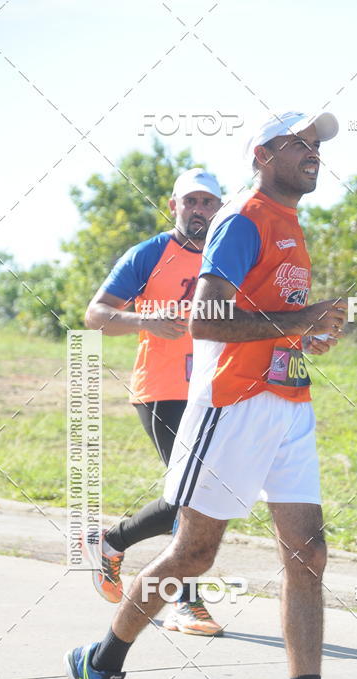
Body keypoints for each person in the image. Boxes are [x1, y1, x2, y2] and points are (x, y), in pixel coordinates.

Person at [66, 111, 357, 679]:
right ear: (264, 154)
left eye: (318, 145)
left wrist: (311, 332)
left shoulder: (290, 224)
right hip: (232, 405)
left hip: (287, 404)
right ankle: (101, 661)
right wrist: (301, 317)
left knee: (309, 553)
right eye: (301, 142)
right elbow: (209, 320)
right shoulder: (244, 219)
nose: (314, 153)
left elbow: (268, 320)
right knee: (193, 554)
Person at [83, 168, 224, 636]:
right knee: (192, 494)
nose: (199, 210)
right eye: (191, 202)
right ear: (174, 206)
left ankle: (110, 543)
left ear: (218, 209)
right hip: (163, 389)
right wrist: (145, 319)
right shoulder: (149, 253)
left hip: (215, 387)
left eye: (207, 202)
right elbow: (96, 315)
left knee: (204, 493)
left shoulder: (228, 255)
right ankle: (188, 603)